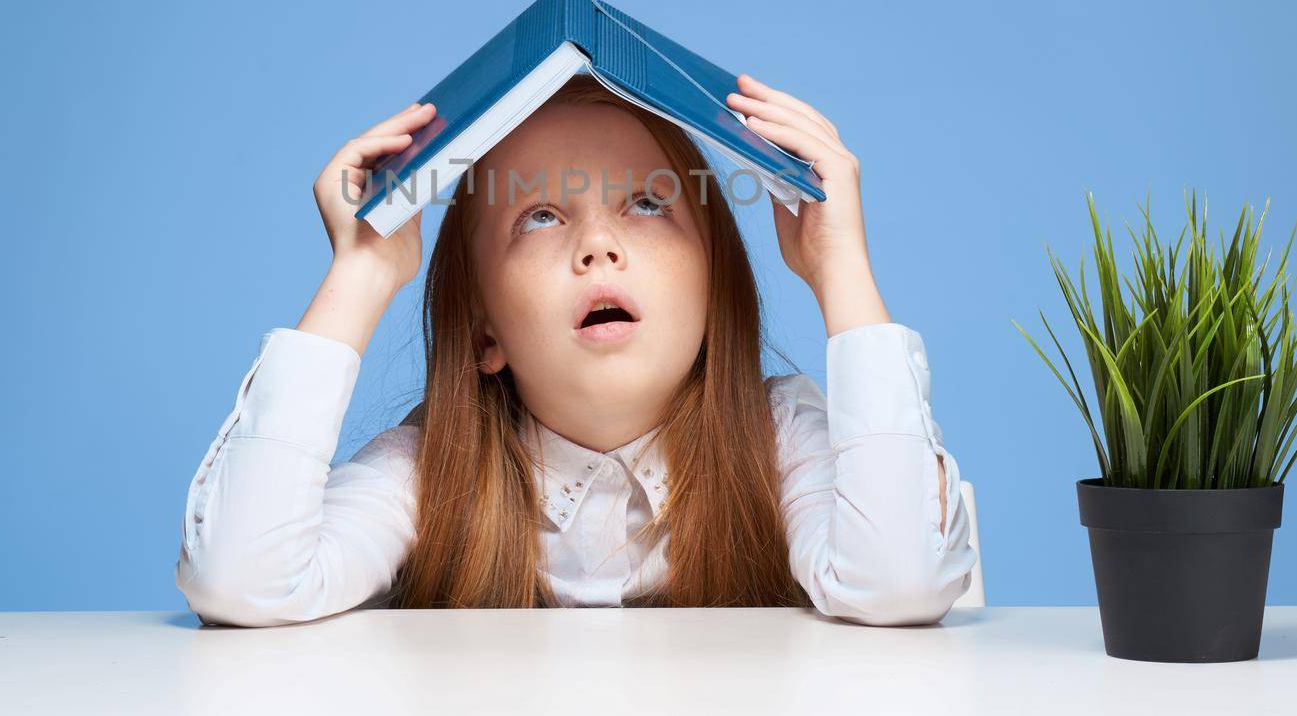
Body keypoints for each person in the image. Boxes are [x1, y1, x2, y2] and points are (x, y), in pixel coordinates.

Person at [175, 72, 977, 625]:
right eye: (541, 217)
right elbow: (244, 582)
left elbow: (899, 583)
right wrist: (358, 272)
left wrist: (841, 270)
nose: (598, 245)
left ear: (713, 291)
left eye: (647, 204)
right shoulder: (429, 472)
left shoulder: (783, 441)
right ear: (484, 330)